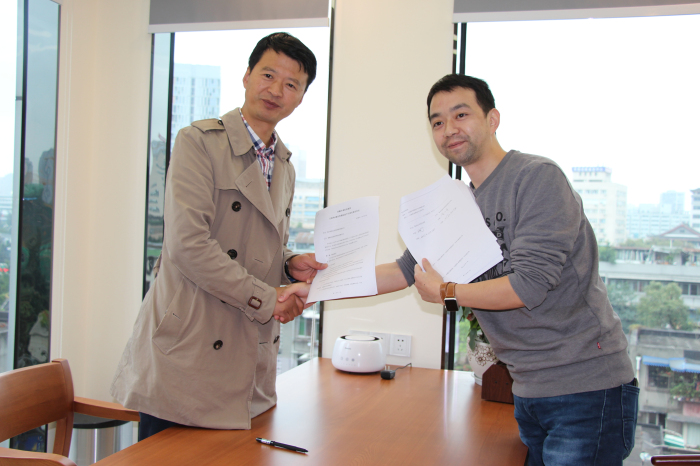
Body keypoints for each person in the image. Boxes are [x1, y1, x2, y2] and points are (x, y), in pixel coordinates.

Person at [286, 74, 639, 465]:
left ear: (493, 119)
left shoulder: (536, 177)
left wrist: (447, 292)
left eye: (461, 115)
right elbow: (403, 271)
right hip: (528, 388)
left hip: (586, 386)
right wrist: (317, 288)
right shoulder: (455, 201)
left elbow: (529, 285)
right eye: (437, 122)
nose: (448, 129)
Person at [111, 32, 324, 439]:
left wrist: (289, 262)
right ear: (246, 76)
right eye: (268, 75)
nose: (276, 90)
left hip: (248, 354)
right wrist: (269, 298)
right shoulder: (199, 142)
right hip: (189, 350)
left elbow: (256, 241)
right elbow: (187, 245)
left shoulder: (285, 165)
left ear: (300, 98)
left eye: (291, 84)